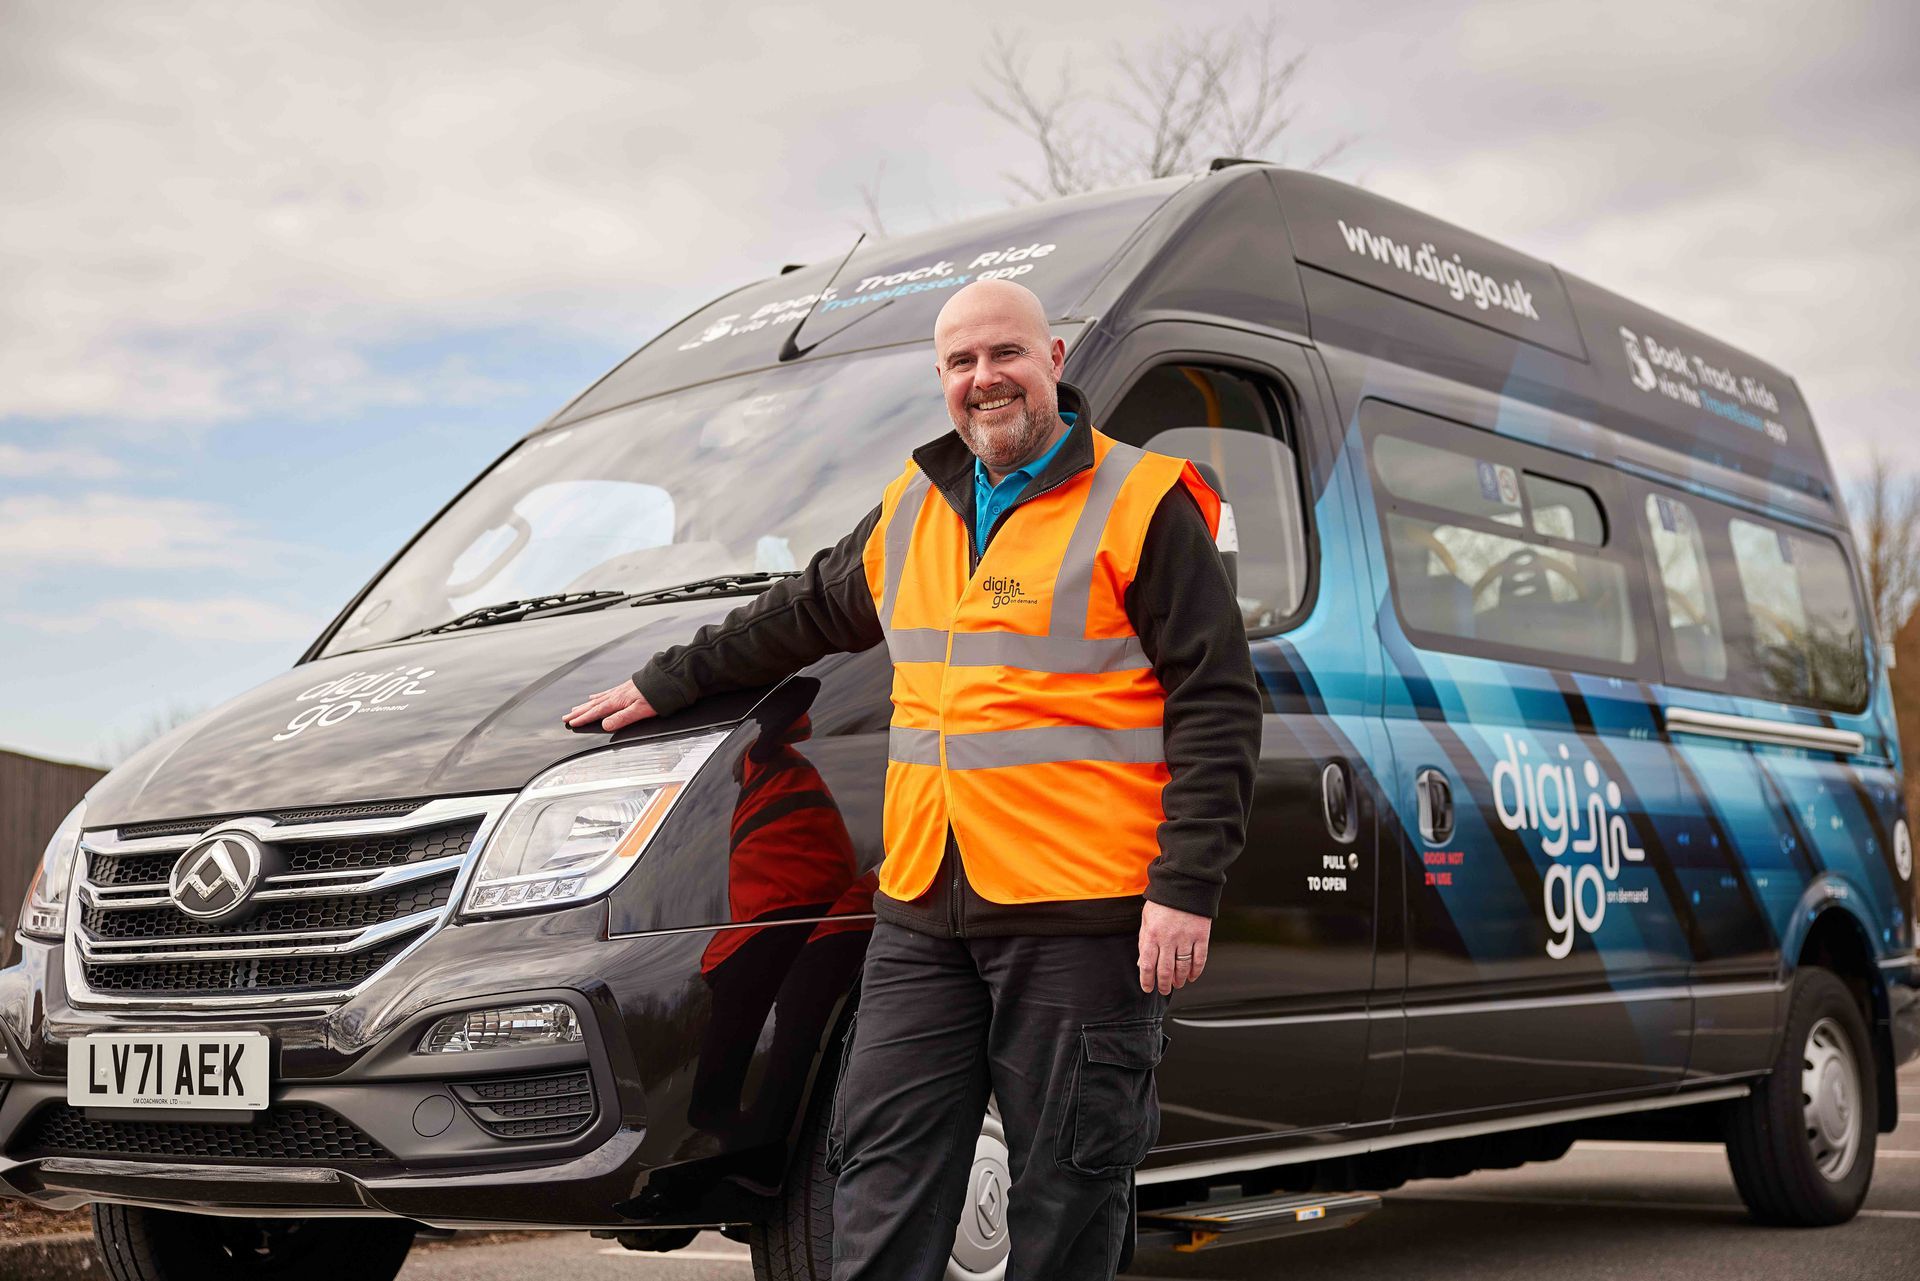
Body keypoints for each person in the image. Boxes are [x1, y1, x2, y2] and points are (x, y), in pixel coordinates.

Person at [565, 278, 1260, 1280]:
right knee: (880, 1166)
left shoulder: (1142, 502)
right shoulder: (917, 504)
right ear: (943, 379)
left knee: (1067, 1182)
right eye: (962, 362)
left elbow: (1218, 702)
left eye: (1006, 355)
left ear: (1055, 359)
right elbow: (800, 613)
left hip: (1083, 909)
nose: (986, 379)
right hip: (923, 909)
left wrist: (1185, 887)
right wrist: (665, 679)